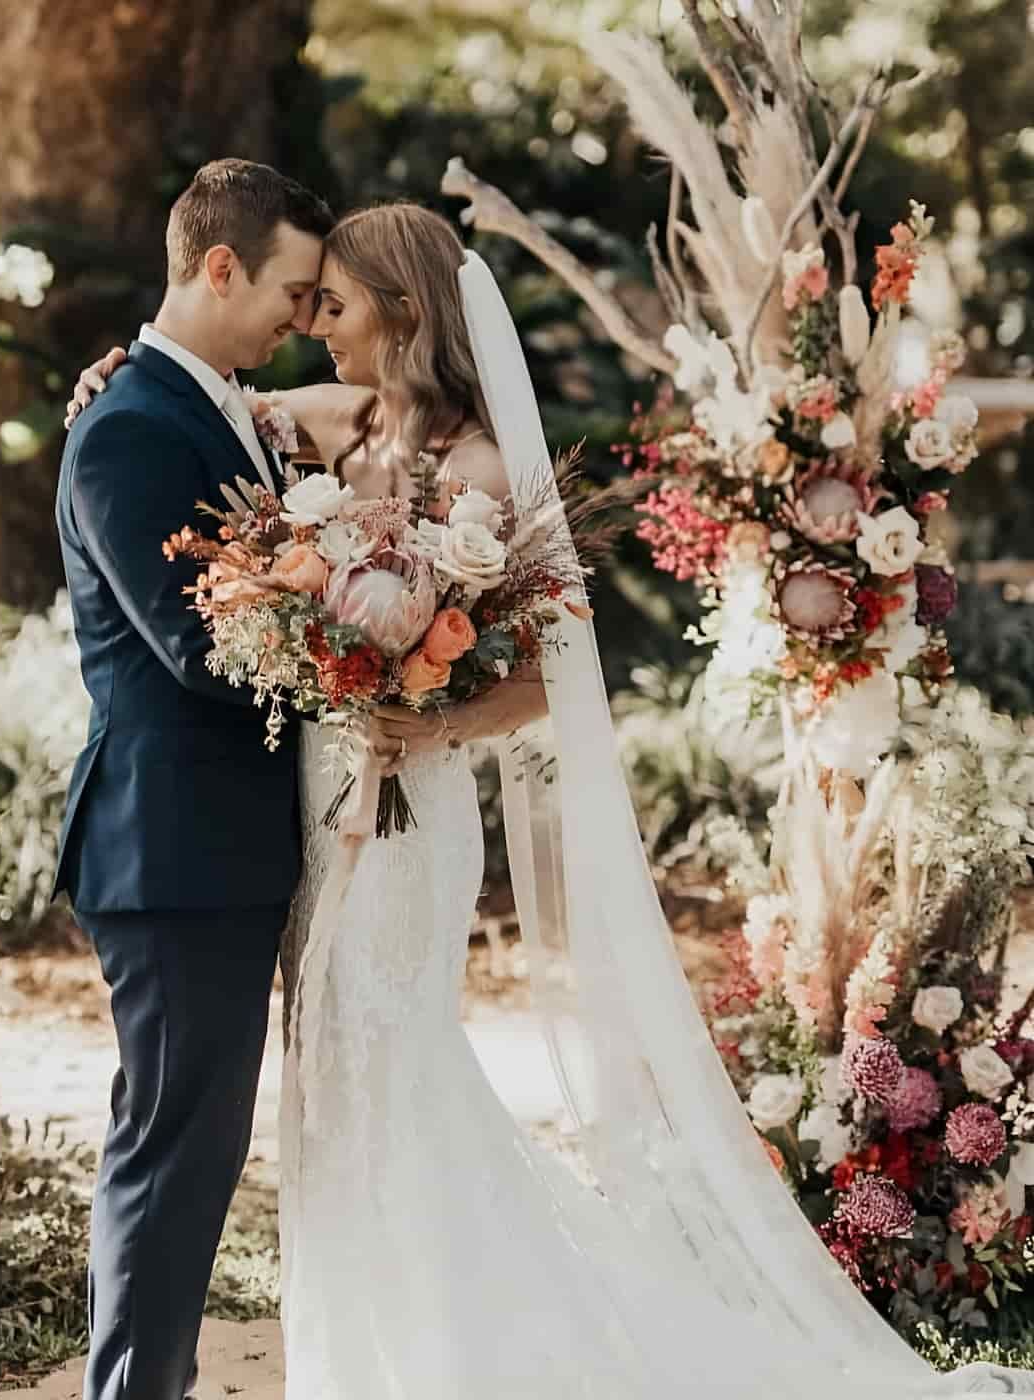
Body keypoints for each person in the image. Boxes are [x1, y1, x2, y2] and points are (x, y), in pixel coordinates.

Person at [65, 204, 1032, 1399]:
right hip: (309, 824)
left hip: (402, 807)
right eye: (302, 298)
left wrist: (433, 711)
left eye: (333, 302)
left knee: (392, 1075)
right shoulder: (324, 427)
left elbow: (550, 668)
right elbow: (183, 416)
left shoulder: (472, 462)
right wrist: (117, 368)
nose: (312, 323)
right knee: (326, 1102)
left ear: (401, 314)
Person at [53, 157, 331, 1400]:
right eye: (293, 289)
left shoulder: (213, 402)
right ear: (219, 266)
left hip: (219, 845)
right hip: (171, 850)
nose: (303, 317)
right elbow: (201, 640)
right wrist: (366, 648)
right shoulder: (126, 429)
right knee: (170, 1153)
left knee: (197, 1149)